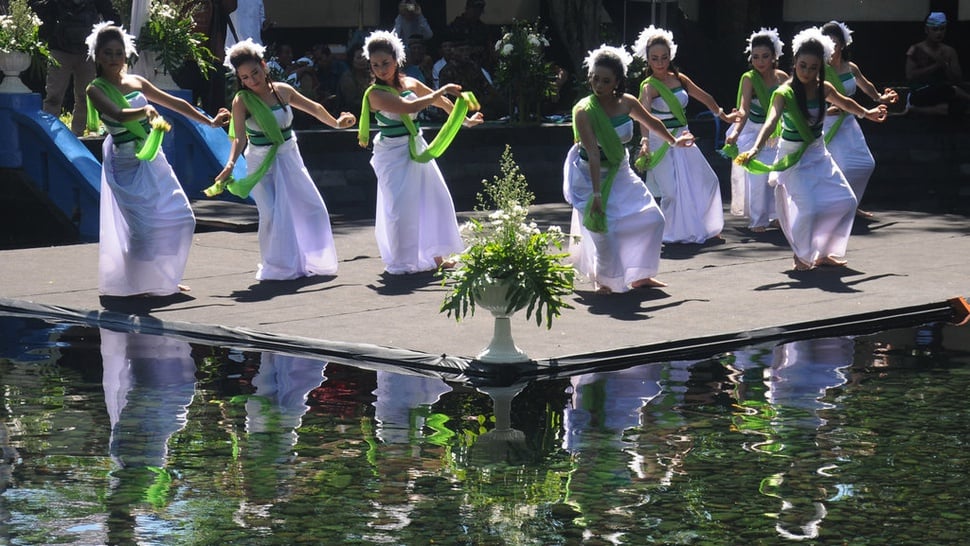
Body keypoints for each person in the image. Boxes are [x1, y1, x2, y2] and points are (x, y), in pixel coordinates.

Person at [84, 23, 230, 296]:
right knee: (142, 230)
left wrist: (211, 122)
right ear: (98, 57)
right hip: (125, 162)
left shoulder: (138, 81)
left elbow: (178, 104)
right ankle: (136, 282)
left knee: (182, 218)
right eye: (108, 53)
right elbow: (116, 114)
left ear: (126, 54)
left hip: (153, 158)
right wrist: (146, 112)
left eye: (119, 52)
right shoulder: (95, 88)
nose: (114, 58)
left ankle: (164, 277)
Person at [738, 27, 887, 271]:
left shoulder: (824, 88)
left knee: (845, 201)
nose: (807, 71)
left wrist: (867, 112)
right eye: (802, 65)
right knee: (810, 208)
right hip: (792, 156)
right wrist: (755, 148)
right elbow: (771, 121)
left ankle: (825, 252)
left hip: (818, 153)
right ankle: (802, 255)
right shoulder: (783, 92)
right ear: (794, 62)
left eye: (813, 67)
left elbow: (845, 102)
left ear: (821, 67)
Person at [208, 38, 356, 281]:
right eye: (245, 77)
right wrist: (231, 164)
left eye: (254, 73)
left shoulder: (283, 91)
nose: (252, 80)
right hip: (259, 162)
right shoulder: (242, 100)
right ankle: (277, 266)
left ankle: (312, 260)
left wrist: (338, 123)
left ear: (264, 66)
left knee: (312, 208)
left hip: (289, 156)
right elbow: (239, 139)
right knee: (271, 213)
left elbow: (315, 108)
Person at [564, 45, 694, 295]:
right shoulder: (584, 111)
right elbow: (592, 153)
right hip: (589, 176)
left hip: (619, 170)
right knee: (604, 229)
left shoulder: (627, 103)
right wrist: (597, 197)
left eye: (605, 80)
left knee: (653, 219)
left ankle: (641, 275)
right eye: (595, 78)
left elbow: (652, 122)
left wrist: (673, 141)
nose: (598, 85)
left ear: (617, 82)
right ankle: (604, 281)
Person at [358, 30, 483, 274]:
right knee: (400, 208)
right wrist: (443, 89)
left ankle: (437, 258)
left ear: (396, 60)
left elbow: (440, 103)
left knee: (433, 199)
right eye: (375, 65)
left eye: (385, 63)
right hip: (392, 154)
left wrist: (465, 120)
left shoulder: (410, 83)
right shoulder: (375, 94)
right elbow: (410, 106)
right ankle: (401, 261)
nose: (381, 69)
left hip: (416, 147)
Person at [634, 25, 740, 244]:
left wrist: (724, 116)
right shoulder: (648, 87)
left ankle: (705, 226)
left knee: (705, 181)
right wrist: (644, 141)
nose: (660, 63)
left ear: (670, 55)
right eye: (655, 58)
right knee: (671, 192)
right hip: (660, 141)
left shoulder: (680, 79)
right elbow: (643, 117)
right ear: (648, 59)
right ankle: (668, 234)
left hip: (684, 138)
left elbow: (706, 97)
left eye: (664, 57)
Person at [820, 21, 898, 219]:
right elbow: (809, 102)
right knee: (841, 166)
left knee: (865, 164)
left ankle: (851, 205)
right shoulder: (818, 70)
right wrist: (829, 111)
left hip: (848, 123)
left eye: (835, 42)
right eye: (827, 42)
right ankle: (836, 209)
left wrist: (881, 98)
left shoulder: (850, 67)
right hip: (826, 125)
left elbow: (867, 86)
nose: (832, 47)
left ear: (843, 44)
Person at [724, 28, 788, 232]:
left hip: (777, 132)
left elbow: (791, 107)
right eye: (756, 56)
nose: (760, 61)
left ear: (774, 57)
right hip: (752, 131)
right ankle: (758, 220)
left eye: (765, 56)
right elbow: (744, 108)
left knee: (778, 175)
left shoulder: (782, 78)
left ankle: (779, 215)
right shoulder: (749, 78)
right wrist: (735, 132)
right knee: (758, 176)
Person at [32, 0, 119, 136]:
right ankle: (48, 136)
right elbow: (40, 10)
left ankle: (77, 136)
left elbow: (110, 15)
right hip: (59, 50)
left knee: (85, 97)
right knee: (54, 97)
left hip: (86, 53)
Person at [904, 11, 970, 117]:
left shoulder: (949, 51)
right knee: (949, 90)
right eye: (935, 29)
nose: (939, 33)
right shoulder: (915, 49)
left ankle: (915, 110)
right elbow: (910, 76)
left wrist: (945, 65)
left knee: (959, 106)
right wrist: (936, 65)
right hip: (920, 92)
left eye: (942, 29)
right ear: (927, 30)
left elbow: (957, 79)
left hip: (942, 93)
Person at [338, 43, 374, 113]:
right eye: (359, 58)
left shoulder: (372, 75)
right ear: (352, 60)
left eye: (365, 57)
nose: (363, 60)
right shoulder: (347, 78)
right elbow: (352, 102)